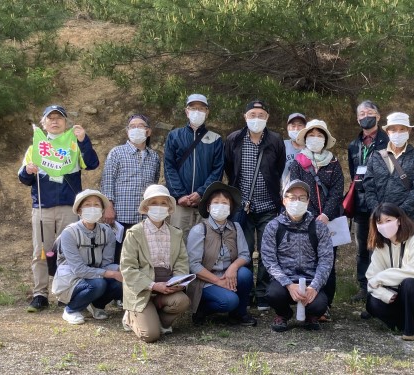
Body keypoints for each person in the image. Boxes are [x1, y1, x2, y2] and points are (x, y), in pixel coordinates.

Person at [18, 105, 99, 313]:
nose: (55, 121)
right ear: (44, 123)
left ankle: (67, 292)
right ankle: (40, 294)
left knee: (69, 251)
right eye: (50, 118)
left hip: (68, 206)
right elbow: (24, 178)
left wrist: (84, 141)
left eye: (59, 118)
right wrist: (28, 170)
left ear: (66, 122)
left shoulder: (73, 143)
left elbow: (92, 163)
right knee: (41, 252)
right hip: (42, 206)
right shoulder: (36, 146)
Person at [224, 99, 286, 311]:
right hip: (243, 207)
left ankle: (263, 294)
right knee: (245, 251)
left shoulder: (276, 140)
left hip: (268, 205)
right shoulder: (234, 139)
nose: (256, 119)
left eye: (261, 115)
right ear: (245, 117)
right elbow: (229, 168)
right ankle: (247, 292)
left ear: (267, 117)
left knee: (268, 252)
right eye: (252, 115)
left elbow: (279, 168)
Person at [120, 184, 190, 343]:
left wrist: (179, 281)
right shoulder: (134, 233)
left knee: (182, 301)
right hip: (142, 289)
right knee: (150, 335)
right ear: (146, 207)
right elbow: (128, 268)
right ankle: (132, 317)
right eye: (154, 203)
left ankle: (156, 318)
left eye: (163, 203)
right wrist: (153, 286)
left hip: (166, 287)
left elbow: (181, 262)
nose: (159, 207)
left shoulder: (176, 233)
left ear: (169, 208)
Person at [261, 180, 334, 332]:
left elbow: (326, 260)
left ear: (308, 201)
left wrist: (314, 287)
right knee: (273, 294)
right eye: (292, 197)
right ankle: (283, 314)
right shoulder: (273, 226)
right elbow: (269, 261)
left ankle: (310, 316)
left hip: (310, 280)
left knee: (320, 303)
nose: (297, 201)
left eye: (302, 198)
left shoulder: (319, 227)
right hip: (283, 282)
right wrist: (288, 284)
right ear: (284, 200)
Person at [288, 119, 344, 313]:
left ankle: (325, 305)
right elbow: (296, 189)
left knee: (327, 262)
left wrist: (326, 215)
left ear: (325, 139)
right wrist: (309, 215)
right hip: (305, 220)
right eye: (311, 135)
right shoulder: (298, 162)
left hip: (329, 222)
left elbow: (337, 191)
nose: (315, 138)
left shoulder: (334, 162)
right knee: (307, 260)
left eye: (319, 135)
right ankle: (302, 300)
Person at [365, 202, 414, 341]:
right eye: (380, 222)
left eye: (388, 221)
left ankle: (411, 330)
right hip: (395, 295)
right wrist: (384, 294)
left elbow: (413, 272)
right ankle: (404, 321)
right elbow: (371, 278)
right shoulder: (381, 245)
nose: (384, 225)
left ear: (399, 220)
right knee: (372, 303)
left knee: (409, 284)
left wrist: (380, 278)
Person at [186, 182, 257, 326]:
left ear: (230, 208)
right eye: (216, 203)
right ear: (208, 207)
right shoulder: (199, 230)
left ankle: (239, 314)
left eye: (224, 203)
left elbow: (245, 255)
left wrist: (233, 268)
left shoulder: (235, 227)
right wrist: (218, 282)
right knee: (229, 301)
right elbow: (193, 265)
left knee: (245, 274)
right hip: (205, 281)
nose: (220, 206)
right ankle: (201, 309)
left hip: (228, 276)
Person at [52, 189, 123, 325]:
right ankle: (71, 310)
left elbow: (106, 263)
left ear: (102, 210)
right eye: (87, 205)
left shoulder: (107, 231)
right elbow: (78, 270)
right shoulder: (69, 233)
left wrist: (120, 270)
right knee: (99, 283)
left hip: (94, 275)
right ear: (79, 210)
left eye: (96, 205)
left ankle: (97, 306)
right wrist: (110, 273)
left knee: (119, 280)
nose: (92, 208)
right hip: (71, 279)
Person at [100, 114, 161, 264]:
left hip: (145, 219)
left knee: (141, 258)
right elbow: (108, 181)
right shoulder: (117, 153)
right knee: (119, 257)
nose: (136, 129)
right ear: (127, 131)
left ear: (148, 132)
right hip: (121, 217)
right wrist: (108, 207)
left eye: (140, 126)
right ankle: (119, 287)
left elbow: (154, 184)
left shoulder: (154, 157)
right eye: (132, 127)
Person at [164, 94, 224, 242]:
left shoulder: (216, 139)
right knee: (178, 243)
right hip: (181, 204)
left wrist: (201, 193)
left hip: (204, 203)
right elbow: (169, 167)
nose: (197, 111)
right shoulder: (174, 135)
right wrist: (180, 195)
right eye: (193, 108)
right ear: (186, 111)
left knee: (203, 243)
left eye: (201, 108)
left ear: (207, 112)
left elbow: (217, 170)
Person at [348, 101, 390, 303]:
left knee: (381, 246)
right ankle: (364, 286)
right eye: (362, 113)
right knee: (362, 248)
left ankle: (381, 285)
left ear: (378, 116)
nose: (366, 116)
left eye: (370, 112)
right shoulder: (353, 145)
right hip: (360, 204)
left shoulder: (388, 140)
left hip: (382, 203)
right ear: (357, 119)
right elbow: (353, 173)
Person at [363, 112, 414, 225]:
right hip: (380, 220)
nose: (398, 133)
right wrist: (377, 212)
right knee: (381, 243)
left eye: (402, 129)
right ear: (387, 132)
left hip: (408, 220)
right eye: (393, 130)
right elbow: (369, 187)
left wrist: (399, 214)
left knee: (407, 243)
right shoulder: (375, 156)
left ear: (409, 131)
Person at [282, 113, 306, 185]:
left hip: (307, 192)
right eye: (293, 126)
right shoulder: (282, 145)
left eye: (300, 125)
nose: (296, 128)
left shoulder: (311, 148)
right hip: (286, 193)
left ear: (305, 128)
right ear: (288, 128)